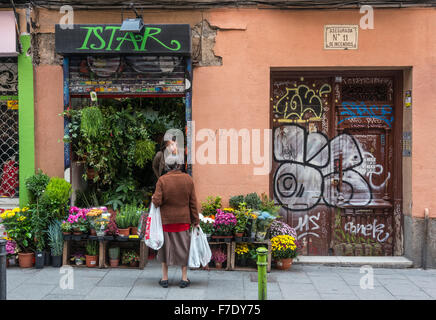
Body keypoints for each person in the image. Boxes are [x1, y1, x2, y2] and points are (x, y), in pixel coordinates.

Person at [151, 154, 199, 288]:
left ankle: (164, 278)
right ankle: (184, 278)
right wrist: (195, 220)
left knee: (165, 248)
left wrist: (153, 197)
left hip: (166, 221)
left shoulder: (162, 180)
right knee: (184, 248)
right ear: (179, 165)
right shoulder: (188, 179)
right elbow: (193, 202)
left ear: (167, 166)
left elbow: (157, 201)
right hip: (183, 220)